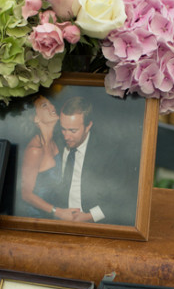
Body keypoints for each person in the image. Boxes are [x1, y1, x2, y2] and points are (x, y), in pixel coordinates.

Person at [54, 96, 138, 226]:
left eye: (73, 130)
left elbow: (124, 197)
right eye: (63, 129)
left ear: (88, 126)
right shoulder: (56, 141)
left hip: (95, 224)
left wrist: (89, 216)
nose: (66, 136)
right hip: (58, 221)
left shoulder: (110, 152)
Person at [19, 94, 79, 221]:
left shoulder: (57, 142)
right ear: (35, 118)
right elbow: (26, 194)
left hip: (58, 213)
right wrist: (58, 212)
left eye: (50, 103)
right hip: (37, 219)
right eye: (44, 105)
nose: (52, 106)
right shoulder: (34, 151)